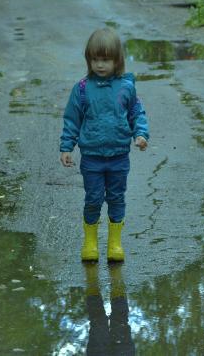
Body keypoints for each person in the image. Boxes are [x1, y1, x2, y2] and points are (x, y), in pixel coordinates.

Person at [60, 27, 149, 262]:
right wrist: (66, 146)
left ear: (117, 60)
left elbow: (136, 113)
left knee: (117, 197)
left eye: (106, 60)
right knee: (93, 198)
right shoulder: (81, 89)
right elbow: (72, 119)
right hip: (92, 157)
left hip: (119, 155)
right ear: (89, 60)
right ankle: (90, 243)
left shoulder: (126, 88)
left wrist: (141, 134)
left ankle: (114, 243)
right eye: (95, 60)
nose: (100, 65)